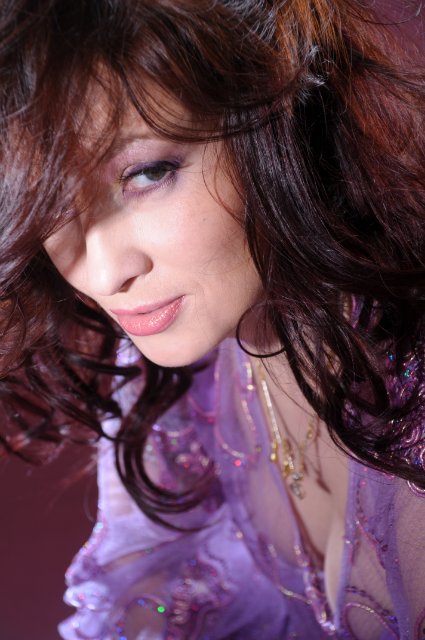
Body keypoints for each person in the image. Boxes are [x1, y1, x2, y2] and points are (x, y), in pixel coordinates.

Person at [0, 0, 424, 638]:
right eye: (51, 207)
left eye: (147, 173)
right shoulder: (178, 384)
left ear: (271, 109)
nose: (104, 274)